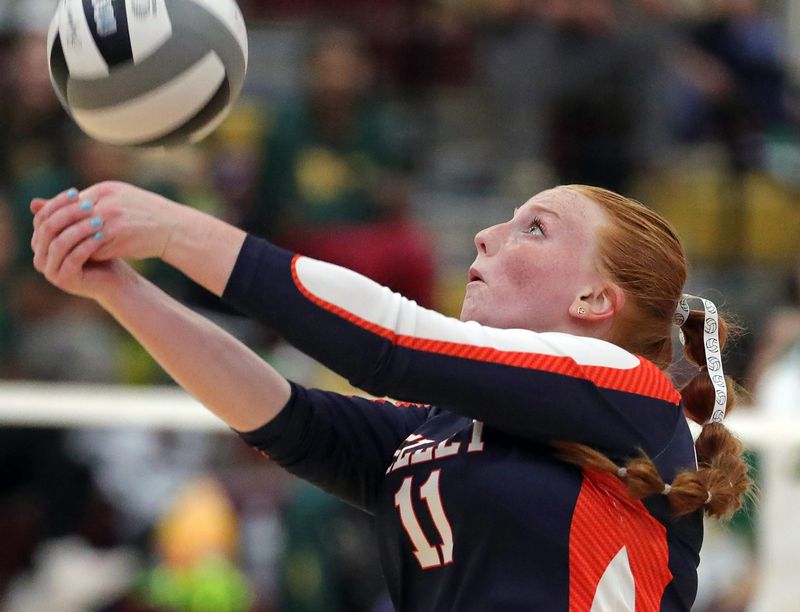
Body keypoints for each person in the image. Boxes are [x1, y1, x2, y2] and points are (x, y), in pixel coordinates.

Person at [30, 181, 752, 611]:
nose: (485, 235)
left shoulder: (626, 390)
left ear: (597, 297)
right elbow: (292, 420)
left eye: (534, 227)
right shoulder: (455, 424)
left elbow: (391, 344)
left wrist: (175, 229)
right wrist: (118, 288)